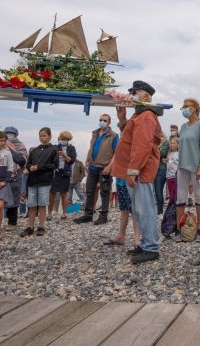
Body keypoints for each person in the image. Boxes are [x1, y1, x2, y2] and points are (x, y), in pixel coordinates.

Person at [113, 80, 163, 264]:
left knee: (145, 209)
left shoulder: (146, 115)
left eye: (135, 92)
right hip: (135, 169)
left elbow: (141, 145)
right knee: (139, 209)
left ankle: (151, 247)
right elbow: (130, 136)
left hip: (139, 170)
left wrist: (134, 170)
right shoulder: (139, 115)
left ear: (146, 96)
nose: (131, 95)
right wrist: (122, 119)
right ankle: (145, 244)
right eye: (131, 92)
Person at [75, 114, 117, 225]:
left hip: (104, 168)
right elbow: (91, 148)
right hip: (92, 167)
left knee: (105, 192)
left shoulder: (113, 135)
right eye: (100, 119)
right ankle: (88, 214)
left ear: (109, 123)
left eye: (105, 120)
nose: (102, 121)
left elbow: (117, 153)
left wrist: (109, 167)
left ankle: (103, 216)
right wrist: (87, 160)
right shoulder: (94, 133)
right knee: (89, 191)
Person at [176, 98, 200, 240]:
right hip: (182, 166)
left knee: (199, 197)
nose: (184, 109)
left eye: (186, 106)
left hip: (196, 166)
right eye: (183, 107)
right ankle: (179, 228)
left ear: (194, 108)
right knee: (180, 198)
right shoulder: (182, 126)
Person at [21, 127, 58, 237]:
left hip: (45, 181)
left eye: (44, 135)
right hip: (32, 181)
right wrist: (30, 167)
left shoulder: (53, 150)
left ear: (50, 136)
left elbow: (55, 165)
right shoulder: (34, 150)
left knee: (42, 204)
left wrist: (39, 167)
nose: (42, 137)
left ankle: (41, 226)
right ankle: (30, 227)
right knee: (32, 205)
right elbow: (28, 163)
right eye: (40, 135)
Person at [48, 131, 77, 221]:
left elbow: (72, 161)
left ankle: (64, 213)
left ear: (68, 140)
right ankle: (49, 213)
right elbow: (49, 158)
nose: (63, 140)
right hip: (55, 172)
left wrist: (64, 155)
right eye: (62, 139)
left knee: (64, 193)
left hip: (65, 173)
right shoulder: (54, 147)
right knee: (52, 193)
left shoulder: (71, 148)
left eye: (65, 139)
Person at [3, 126, 28, 224]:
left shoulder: (20, 145)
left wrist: (9, 148)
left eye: (11, 133)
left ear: (16, 135)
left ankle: (12, 222)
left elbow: (22, 160)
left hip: (15, 177)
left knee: (14, 200)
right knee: (1, 200)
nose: (9, 135)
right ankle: (0, 222)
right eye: (7, 133)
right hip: (2, 176)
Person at [154, 132, 168, 214]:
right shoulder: (155, 142)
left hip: (161, 169)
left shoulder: (165, 142)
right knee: (156, 191)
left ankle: (160, 210)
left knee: (159, 191)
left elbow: (161, 153)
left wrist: (155, 150)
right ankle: (159, 210)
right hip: (155, 169)